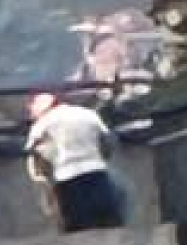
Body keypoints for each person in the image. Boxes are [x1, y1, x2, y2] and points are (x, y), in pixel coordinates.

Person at [24, 93, 125, 232]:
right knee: (109, 223)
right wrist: (101, 158)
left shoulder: (42, 123)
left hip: (67, 179)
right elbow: (108, 140)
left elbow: (34, 153)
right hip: (97, 173)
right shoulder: (88, 114)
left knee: (78, 228)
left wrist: (43, 179)